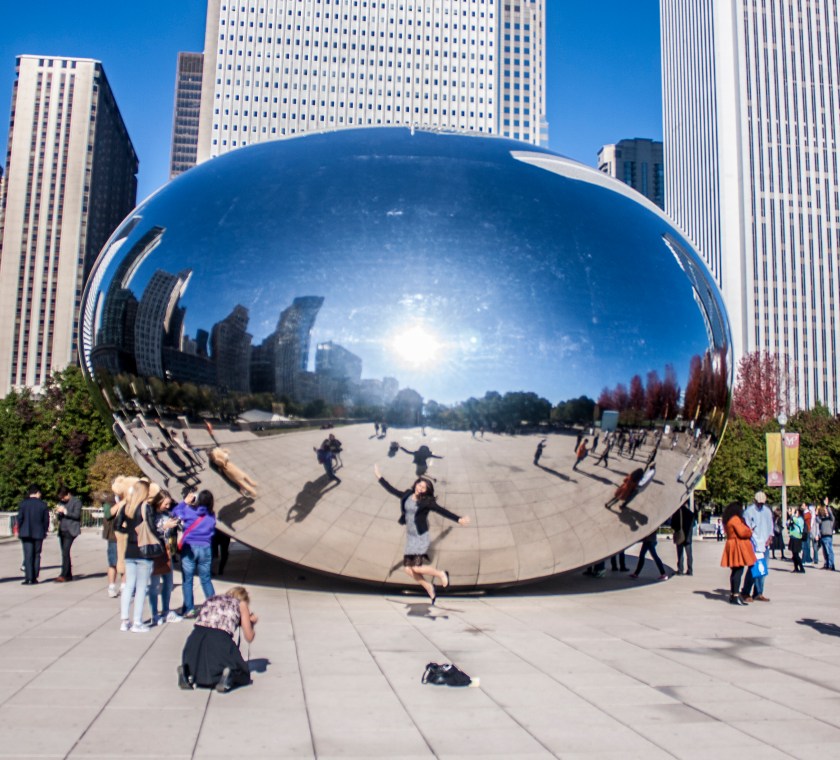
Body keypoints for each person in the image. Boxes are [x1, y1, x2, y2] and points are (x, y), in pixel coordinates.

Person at [374, 464, 470, 604]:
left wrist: (458, 519)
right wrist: (379, 477)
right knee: (408, 570)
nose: (420, 488)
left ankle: (441, 574)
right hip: (411, 537)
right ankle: (428, 587)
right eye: (419, 485)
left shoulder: (426, 502)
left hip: (420, 537)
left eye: (423, 488)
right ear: (416, 484)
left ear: (426, 491)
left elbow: (442, 510)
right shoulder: (407, 494)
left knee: (416, 567)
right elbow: (392, 490)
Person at [179, 586, 257, 692]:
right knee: (243, 674)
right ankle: (227, 677)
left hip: (195, 638)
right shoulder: (241, 604)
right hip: (219, 638)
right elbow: (249, 637)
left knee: (200, 668)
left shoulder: (212, 599)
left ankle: (186, 672)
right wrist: (251, 622)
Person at [114, 480, 160, 632]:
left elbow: (116, 525)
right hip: (144, 550)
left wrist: (129, 531)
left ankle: (124, 620)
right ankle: (137, 622)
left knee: (128, 586)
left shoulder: (127, 507)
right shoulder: (146, 507)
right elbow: (152, 528)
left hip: (130, 549)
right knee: (141, 587)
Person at [173, 489, 217, 618]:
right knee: (206, 579)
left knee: (188, 580)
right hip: (206, 548)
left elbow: (175, 512)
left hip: (190, 547)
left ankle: (189, 609)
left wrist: (185, 502)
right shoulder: (211, 516)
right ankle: (213, 607)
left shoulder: (189, 512)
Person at [148, 489, 183, 625]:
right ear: (159, 501)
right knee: (155, 585)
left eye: (169, 504)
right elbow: (150, 532)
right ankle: (154, 614)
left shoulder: (167, 514)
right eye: (165, 504)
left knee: (168, 583)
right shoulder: (151, 513)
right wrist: (164, 526)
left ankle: (166, 611)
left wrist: (176, 525)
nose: (167, 507)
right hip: (155, 552)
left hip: (167, 551)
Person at [720, 501, 757, 605]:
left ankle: (733, 594)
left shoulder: (728, 519)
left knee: (735, 571)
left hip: (732, 544)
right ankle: (736, 595)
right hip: (737, 545)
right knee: (738, 571)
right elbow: (742, 532)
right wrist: (750, 531)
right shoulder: (735, 519)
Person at [740, 491, 774, 601]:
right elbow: (747, 528)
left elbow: (770, 526)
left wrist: (770, 536)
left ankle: (758, 592)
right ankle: (745, 592)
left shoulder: (767, 511)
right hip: (753, 544)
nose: (760, 505)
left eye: (762, 503)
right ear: (754, 501)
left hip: (765, 544)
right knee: (753, 569)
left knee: (762, 569)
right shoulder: (748, 512)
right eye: (759, 503)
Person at [16, 485, 50, 585]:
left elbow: (20, 518)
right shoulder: (43, 505)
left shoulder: (23, 504)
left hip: (25, 532)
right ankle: (35, 577)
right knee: (37, 554)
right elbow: (46, 521)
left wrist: (19, 529)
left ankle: (29, 578)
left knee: (28, 555)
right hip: (39, 533)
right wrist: (44, 530)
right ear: (37, 492)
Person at [55, 486, 82, 582]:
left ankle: (64, 574)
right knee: (64, 552)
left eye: (63, 497)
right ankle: (68, 574)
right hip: (62, 529)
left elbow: (76, 515)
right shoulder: (61, 502)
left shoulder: (76, 501)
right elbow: (60, 517)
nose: (62, 499)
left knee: (65, 552)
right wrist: (59, 512)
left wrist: (65, 511)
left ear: (68, 494)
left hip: (71, 530)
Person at [101, 496, 120, 597]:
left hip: (126, 535)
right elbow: (108, 514)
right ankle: (111, 586)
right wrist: (121, 503)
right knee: (113, 562)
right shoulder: (109, 500)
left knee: (125, 563)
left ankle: (124, 586)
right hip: (113, 536)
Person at [671, 502, 696, 575]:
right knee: (689, 554)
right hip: (688, 537)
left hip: (680, 536)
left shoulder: (677, 513)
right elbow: (693, 524)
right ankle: (690, 570)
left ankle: (680, 570)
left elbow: (672, 525)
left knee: (680, 554)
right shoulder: (690, 513)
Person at [818, 499, 836, 570]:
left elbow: (831, 514)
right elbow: (817, 520)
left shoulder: (831, 519)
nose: (825, 511)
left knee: (829, 551)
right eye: (824, 510)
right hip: (823, 536)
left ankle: (831, 565)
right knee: (825, 552)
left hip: (828, 536)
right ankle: (826, 564)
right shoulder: (822, 519)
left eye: (826, 510)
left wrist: (827, 506)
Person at [788, 506, 807, 573]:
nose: (796, 514)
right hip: (793, 536)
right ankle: (796, 568)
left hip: (797, 537)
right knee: (794, 554)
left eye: (796, 512)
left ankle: (802, 568)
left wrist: (793, 514)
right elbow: (789, 523)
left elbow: (795, 520)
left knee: (796, 554)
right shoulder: (796, 519)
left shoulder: (800, 519)